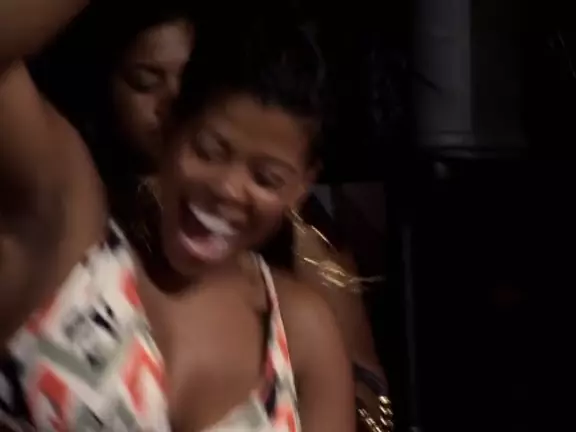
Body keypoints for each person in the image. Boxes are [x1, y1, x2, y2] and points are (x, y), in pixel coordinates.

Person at [0, 1, 354, 431]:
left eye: (266, 178)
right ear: (171, 127)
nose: (228, 188)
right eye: (209, 150)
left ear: (301, 185)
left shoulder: (302, 332)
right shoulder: (66, 228)